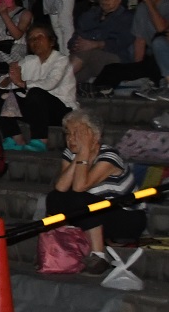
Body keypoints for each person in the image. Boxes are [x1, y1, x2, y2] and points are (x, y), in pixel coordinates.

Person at [52, 110, 147, 270]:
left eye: (78, 133)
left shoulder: (110, 156)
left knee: (78, 197)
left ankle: (98, 256)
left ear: (93, 135)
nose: (71, 139)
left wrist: (83, 152)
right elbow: (61, 187)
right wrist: (79, 156)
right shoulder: (69, 154)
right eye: (68, 133)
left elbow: (80, 186)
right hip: (97, 216)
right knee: (54, 197)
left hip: (126, 218)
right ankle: (58, 246)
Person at [0, 24, 75, 152]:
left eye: (39, 37)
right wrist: (9, 79)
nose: (35, 41)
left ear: (51, 41)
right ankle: (15, 138)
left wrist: (22, 83)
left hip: (60, 112)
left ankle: (40, 141)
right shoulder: (28, 61)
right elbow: (2, 80)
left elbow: (50, 83)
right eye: (31, 38)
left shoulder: (61, 60)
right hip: (35, 109)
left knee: (36, 93)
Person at [92, 0, 169, 96]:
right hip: (153, 60)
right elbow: (139, 41)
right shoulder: (142, 8)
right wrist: (137, 71)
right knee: (113, 69)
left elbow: (162, 29)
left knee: (158, 42)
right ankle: (95, 91)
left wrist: (149, 4)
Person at [69, 0, 135, 84]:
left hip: (114, 60)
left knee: (87, 51)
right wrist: (78, 44)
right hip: (88, 61)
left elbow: (121, 42)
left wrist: (96, 44)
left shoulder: (126, 18)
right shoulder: (89, 15)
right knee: (75, 76)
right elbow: (73, 40)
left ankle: (56, 80)